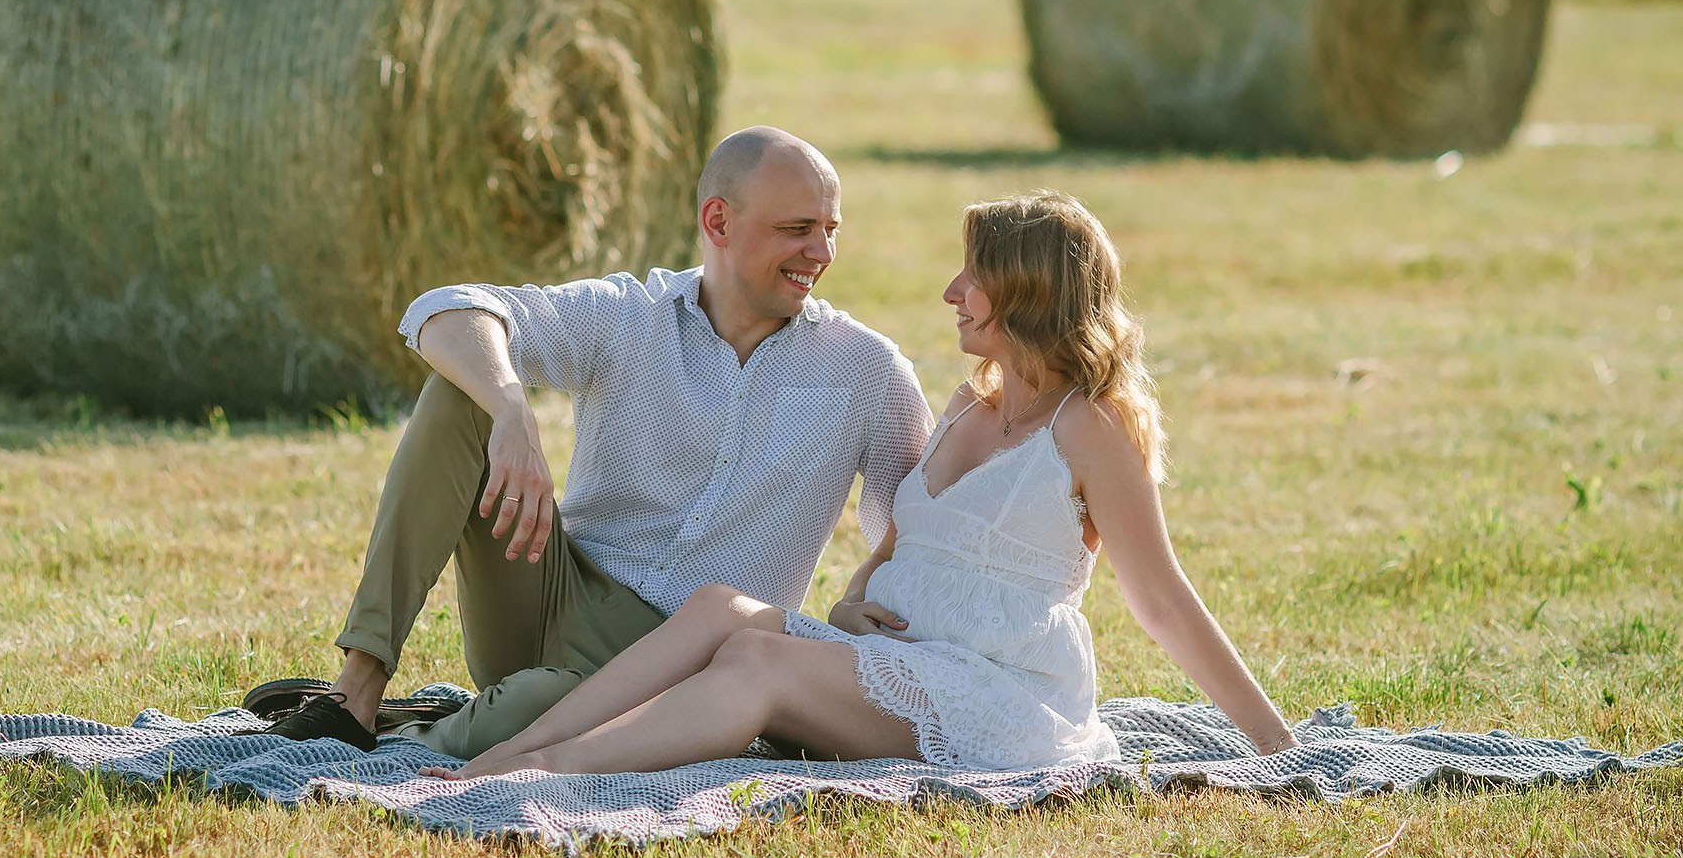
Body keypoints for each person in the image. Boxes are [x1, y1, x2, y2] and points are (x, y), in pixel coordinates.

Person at [422, 190, 1297, 779]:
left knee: (758, 659)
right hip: (898, 659)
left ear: (1024, 293)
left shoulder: (1090, 427)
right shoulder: (966, 405)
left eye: (974, 277)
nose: (952, 291)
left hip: (996, 692)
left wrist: (1273, 743)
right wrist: (850, 599)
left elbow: (1163, 601)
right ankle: (536, 737)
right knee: (722, 609)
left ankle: (544, 770)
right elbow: (897, 545)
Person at [245, 126, 935, 758]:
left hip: (687, 665)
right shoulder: (629, 317)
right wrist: (511, 406)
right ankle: (356, 690)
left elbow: (929, 535)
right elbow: (444, 310)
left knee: (530, 720)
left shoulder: (867, 370)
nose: (822, 253)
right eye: (799, 229)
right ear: (717, 221)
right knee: (464, 388)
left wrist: (855, 595)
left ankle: (415, 727)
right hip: (552, 591)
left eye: (830, 229)